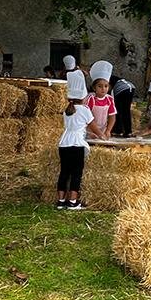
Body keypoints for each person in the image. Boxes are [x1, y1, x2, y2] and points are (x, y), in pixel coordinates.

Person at [55, 70, 99, 209]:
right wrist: (102, 135)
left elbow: (74, 127)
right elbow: (94, 127)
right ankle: (73, 201)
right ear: (83, 96)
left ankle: (61, 201)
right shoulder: (85, 110)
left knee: (64, 172)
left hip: (64, 144)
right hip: (77, 145)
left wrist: (87, 133)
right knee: (76, 173)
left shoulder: (67, 110)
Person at [85, 60, 117, 139]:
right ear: (94, 87)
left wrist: (108, 130)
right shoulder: (91, 99)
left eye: (106, 86)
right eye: (100, 86)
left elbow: (112, 116)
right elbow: (87, 118)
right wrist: (95, 133)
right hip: (90, 130)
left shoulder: (109, 99)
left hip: (102, 131)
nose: (103, 89)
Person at [110, 73, 136, 137]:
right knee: (126, 110)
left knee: (118, 111)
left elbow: (111, 96)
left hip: (122, 90)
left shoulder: (108, 80)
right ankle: (128, 131)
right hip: (131, 87)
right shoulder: (119, 80)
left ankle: (117, 130)